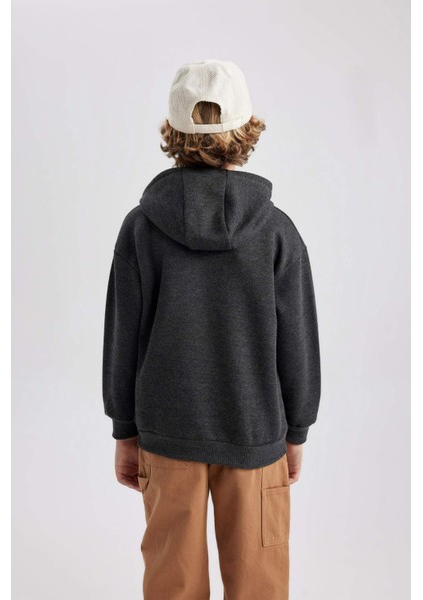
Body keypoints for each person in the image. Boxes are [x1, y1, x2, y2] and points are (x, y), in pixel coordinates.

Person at [102, 58, 321, 600]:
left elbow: (122, 337)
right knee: (259, 587)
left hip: (165, 431)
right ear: (247, 130)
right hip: (255, 432)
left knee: (171, 586)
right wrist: (296, 431)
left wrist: (125, 429)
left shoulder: (141, 229)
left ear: (173, 132)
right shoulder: (277, 232)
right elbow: (298, 340)